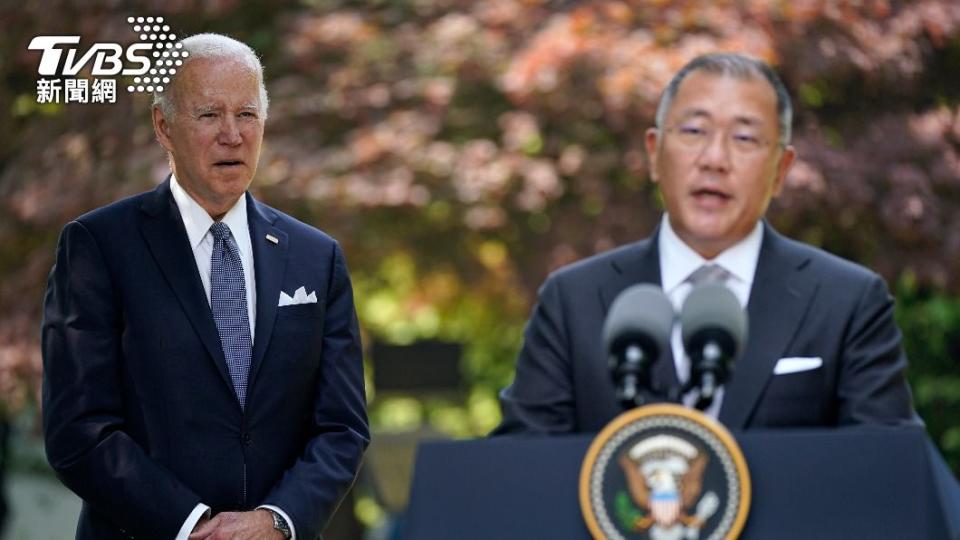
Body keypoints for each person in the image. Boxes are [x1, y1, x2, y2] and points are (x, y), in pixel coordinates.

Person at [41, 33, 369, 540]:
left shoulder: (316, 257)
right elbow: (79, 430)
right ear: (163, 125)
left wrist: (275, 522)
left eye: (248, 114)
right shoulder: (98, 246)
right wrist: (194, 527)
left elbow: (342, 428)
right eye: (209, 115)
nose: (233, 135)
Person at [494, 52, 919, 435]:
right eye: (694, 131)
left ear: (781, 171)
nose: (714, 158)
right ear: (654, 153)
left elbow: (886, 473)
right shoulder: (573, 301)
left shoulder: (847, 302)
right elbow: (523, 469)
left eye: (744, 138)